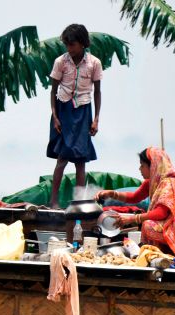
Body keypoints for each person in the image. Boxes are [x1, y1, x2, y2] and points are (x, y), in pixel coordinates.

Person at [47, 23, 102, 208]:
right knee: (62, 158)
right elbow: (53, 91)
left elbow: (97, 92)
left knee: (80, 160)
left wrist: (96, 119)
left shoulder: (94, 63)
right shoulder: (60, 62)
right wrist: (55, 116)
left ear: (82, 43)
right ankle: (53, 202)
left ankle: (78, 203)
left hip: (84, 111)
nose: (69, 49)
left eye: (72, 45)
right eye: (67, 45)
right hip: (63, 110)